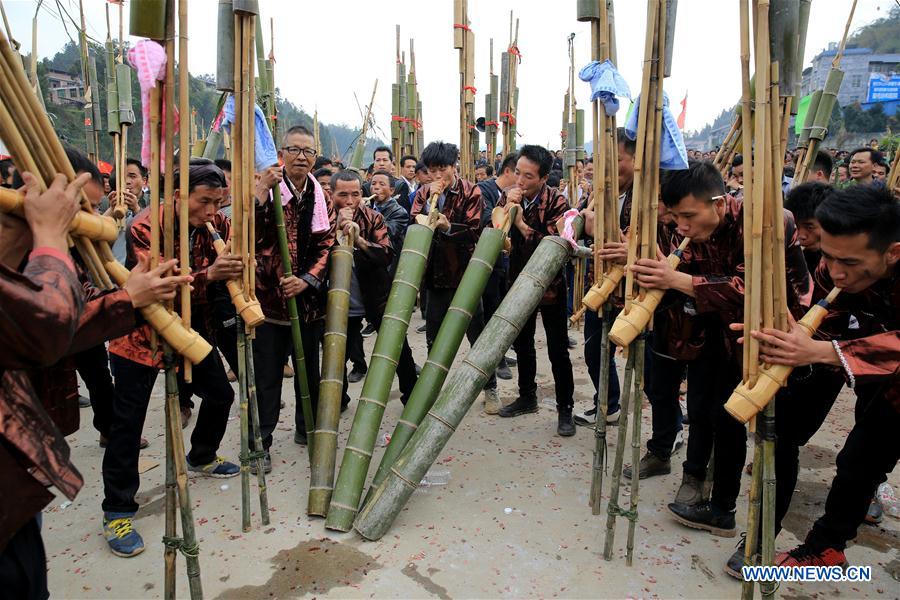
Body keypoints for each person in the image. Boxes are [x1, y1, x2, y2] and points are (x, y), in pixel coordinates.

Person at [634, 161, 810, 538]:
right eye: (675, 217)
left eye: (688, 216)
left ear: (717, 203)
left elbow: (750, 288)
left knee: (742, 424)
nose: (681, 227)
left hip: (766, 340)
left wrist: (677, 279)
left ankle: (730, 514)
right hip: (709, 334)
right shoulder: (684, 230)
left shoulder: (767, 222)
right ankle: (699, 485)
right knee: (700, 410)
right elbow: (675, 281)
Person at [743, 185, 898, 570]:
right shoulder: (834, 267)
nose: (836, 271)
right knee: (858, 461)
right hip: (884, 383)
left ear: (892, 253)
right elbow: (825, 319)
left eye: (849, 261)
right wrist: (786, 338)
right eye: (828, 256)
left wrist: (821, 351)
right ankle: (826, 547)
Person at [103, 159, 241, 558]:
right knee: (127, 424)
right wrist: (208, 275)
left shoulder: (220, 225)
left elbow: (223, 273)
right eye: (204, 202)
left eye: (218, 202)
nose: (213, 212)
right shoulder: (145, 226)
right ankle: (117, 509)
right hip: (140, 335)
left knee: (221, 395)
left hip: (192, 332)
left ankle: (201, 455)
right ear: (179, 196)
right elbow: (157, 288)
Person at [721, 180, 845, 578]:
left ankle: (761, 537)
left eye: (813, 228)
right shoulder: (792, 253)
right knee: (774, 439)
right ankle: (760, 531)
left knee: (785, 441)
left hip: (826, 366)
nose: (805, 236)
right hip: (779, 356)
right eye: (801, 227)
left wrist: (818, 348)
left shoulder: (846, 262)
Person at [253, 125, 336, 457]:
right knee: (267, 377)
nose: (302, 157)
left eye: (308, 151)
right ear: (281, 153)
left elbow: (327, 245)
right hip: (271, 302)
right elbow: (251, 236)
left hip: (308, 302)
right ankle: (261, 441)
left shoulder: (321, 196)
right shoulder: (268, 190)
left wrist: (307, 279)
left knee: (309, 372)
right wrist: (259, 195)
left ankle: (307, 429)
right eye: (295, 149)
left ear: (315, 158)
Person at [410, 141, 498, 413]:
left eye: (443, 169)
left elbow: (474, 231)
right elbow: (414, 221)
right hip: (435, 277)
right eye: (433, 170)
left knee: (476, 334)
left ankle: (490, 387)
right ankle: (431, 390)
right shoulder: (423, 194)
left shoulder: (471, 191)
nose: (438, 176)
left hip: (464, 277)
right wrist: (427, 212)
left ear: (454, 166)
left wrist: (447, 225)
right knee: (434, 336)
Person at [495, 144, 576, 435]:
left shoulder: (558, 204)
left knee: (557, 349)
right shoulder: (508, 197)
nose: (520, 181)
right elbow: (494, 233)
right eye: (517, 173)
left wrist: (521, 224)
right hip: (517, 280)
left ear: (543, 178)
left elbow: (555, 245)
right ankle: (527, 396)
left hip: (551, 285)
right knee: (523, 343)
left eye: (528, 176)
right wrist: (507, 211)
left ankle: (565, 408)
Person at [333, 170, 417, 405]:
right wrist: (335, 229)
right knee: (336, 355)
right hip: (340, 301)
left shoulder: (373, 217)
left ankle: (411, 397)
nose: (350, 201)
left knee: (398, 348)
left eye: (356, 194)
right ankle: (337, 401)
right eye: (343, 195)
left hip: (375, 295)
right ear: (331, 194)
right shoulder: (323, 218)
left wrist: (360, 240)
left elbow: (386, 255)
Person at [477, 153, 518, 381]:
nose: (522, 181)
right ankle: (496, 360)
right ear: (508, 172)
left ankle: (501, 351)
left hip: (505, 262)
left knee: (503, 309)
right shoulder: (485, 190)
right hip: (488, 262)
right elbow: (486, 220)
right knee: (491, 309)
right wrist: (505, 203)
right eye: (519, 174)